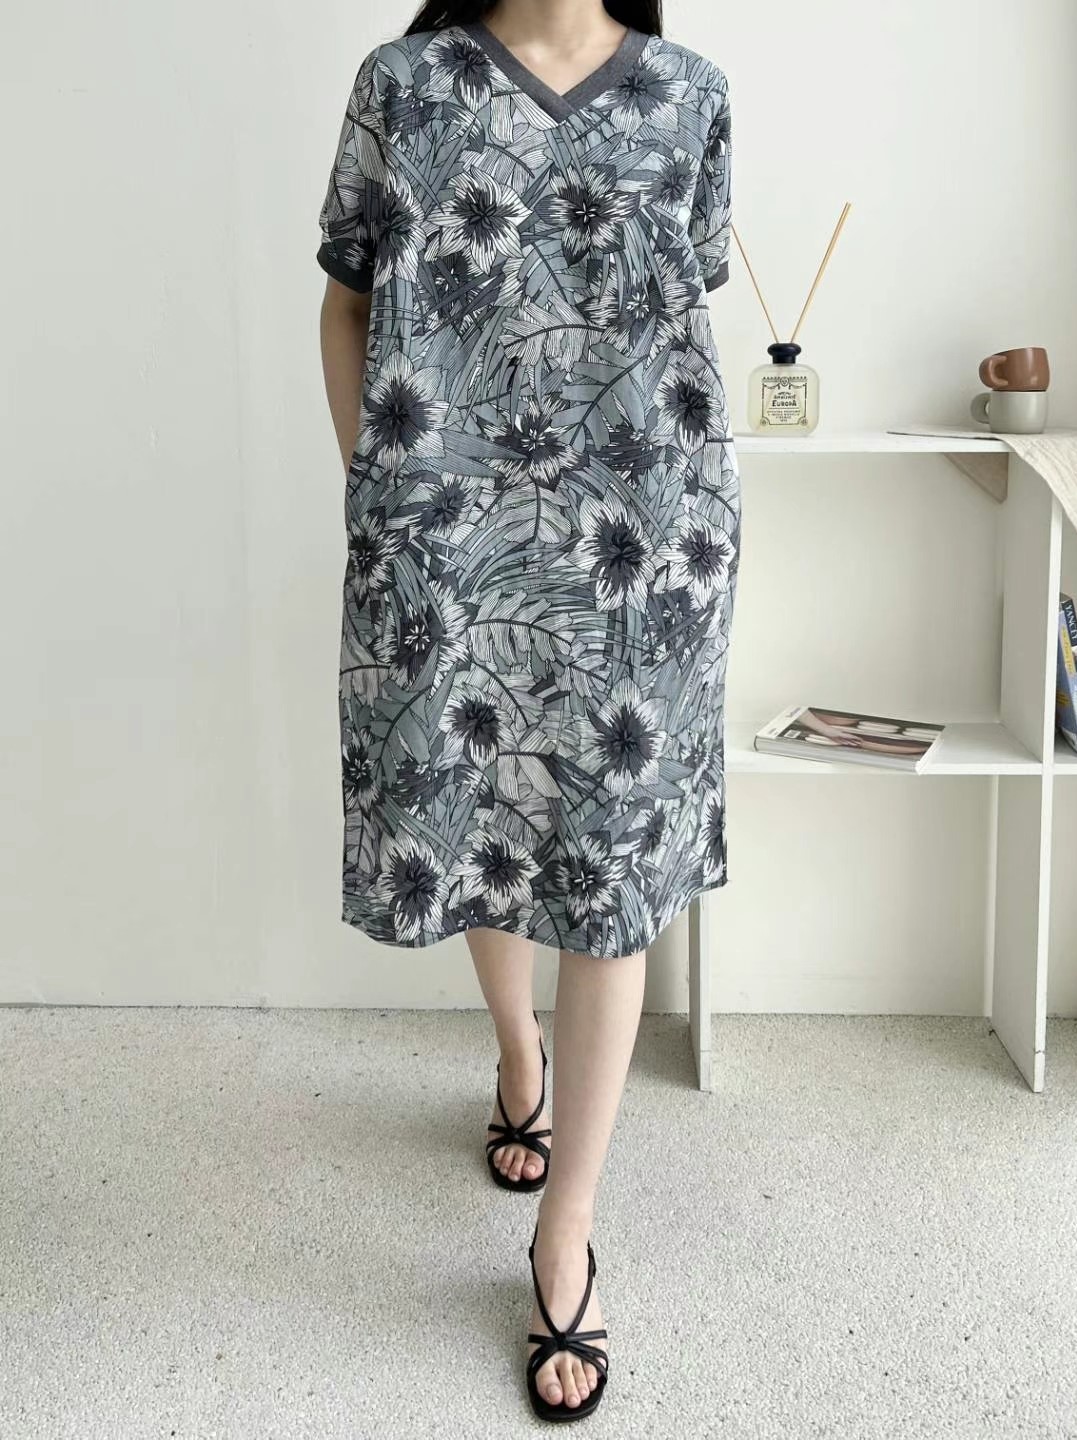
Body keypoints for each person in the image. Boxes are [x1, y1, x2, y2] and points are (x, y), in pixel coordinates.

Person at [316, 0, 738, 1420]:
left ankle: (568, 1230)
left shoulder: (690, 93)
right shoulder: (402, 85)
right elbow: (349, 299)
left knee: (611, 872)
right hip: (447, 543)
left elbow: (675, 318)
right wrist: (381, 496)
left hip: (646, 549)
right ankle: (518, 1056)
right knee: (482, 816)